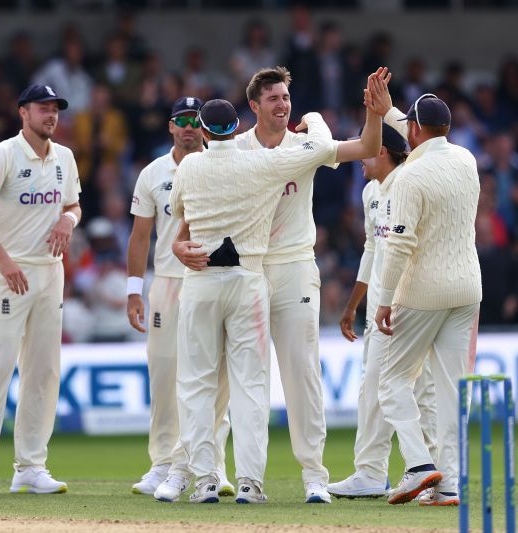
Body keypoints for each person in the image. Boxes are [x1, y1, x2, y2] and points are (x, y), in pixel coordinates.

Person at [193, 65, 385, 504]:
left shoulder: (308, 145)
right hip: (248, 267)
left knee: (301, 373)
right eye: (273, 99)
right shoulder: (235, 148)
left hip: (296, 266)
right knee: (238, 376)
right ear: (254, 106)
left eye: (285, 97)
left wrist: (374, 113)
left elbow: (368, 147)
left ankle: (314, 476)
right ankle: (226, 473)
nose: (283, 105)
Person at [167, 99, 339, 504]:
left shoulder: (190, 165)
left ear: (205, 133)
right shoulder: (261, 164)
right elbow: (325, 147)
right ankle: (249, 483)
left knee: (196, 384)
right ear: (239, 123)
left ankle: (206, 480)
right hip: (249, 281)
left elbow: (179, 213)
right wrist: (313, 118)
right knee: (251, 386)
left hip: (203, 282)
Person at [0, 84, 81, 495]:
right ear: (23, 113)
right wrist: (4, 260)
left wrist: (70, 220)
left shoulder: (64, 157)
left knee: (44, 372)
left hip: (50, 273)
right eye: (43, 108)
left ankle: (30, 467)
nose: (51, 115)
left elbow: (73, 204)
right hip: (8, 273)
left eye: (55, 110)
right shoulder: (4, 153)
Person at [373, 92, 481, 506]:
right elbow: (424, 133)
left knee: (393, 380)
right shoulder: (467, 159)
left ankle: (418, 465)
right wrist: (391, 112)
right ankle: (450, 484)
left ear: (414, 130)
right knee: (453, 390)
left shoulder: (409, 177)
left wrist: (384, 301)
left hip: (423, 292)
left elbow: (399, 245)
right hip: (467, 287)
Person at [126, 96, 233, 498]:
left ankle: (214, 466)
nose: (189, 127)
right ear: (171, 127)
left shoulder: (224, 163)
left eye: (196, 120)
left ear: (206, 126)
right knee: (166, 374)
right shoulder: (154, 172)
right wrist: (133, 291)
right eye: (182, 120)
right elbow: (140, 236)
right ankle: (162, 464)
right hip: (168, 283)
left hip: (211, 279)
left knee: (216, 376)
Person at [328, 122, 438, 499]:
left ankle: (421, 472)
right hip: (378, 307)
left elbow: (408, 249)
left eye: (368, 148)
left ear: (385, 151)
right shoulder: (370, 191)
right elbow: (372, 250)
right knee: (376, 388)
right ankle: (380, 472)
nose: (360, 157)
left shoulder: (409, 183)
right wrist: (353, 304)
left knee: (408, 390)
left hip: (407, 306)